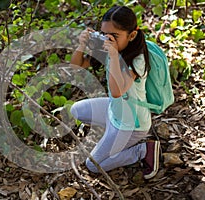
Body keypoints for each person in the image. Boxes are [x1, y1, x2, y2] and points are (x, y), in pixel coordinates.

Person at [70, 5, 160, 179]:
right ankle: (113, 140)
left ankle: (142, 150)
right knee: (76, 110)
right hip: (115, 111)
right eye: (104, 34)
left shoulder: (138, 58)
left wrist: (113, 56)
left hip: (132, 124)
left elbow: (117, 91)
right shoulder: (110, 47)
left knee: (93, 166)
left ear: (132, 35)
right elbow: (76, 67)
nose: (107, 39)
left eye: (114, 36)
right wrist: (81, 45)